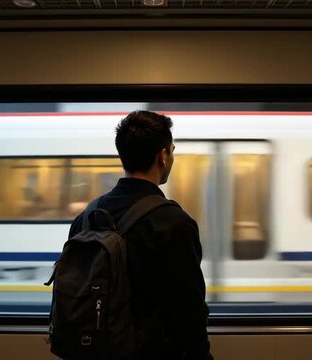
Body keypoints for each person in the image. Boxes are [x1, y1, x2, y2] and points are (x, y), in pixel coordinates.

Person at [67, 110, 213, 360]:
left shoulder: (86, 217)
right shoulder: (175, 223)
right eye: (173, 150)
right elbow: (188, 312)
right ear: (163, 156)